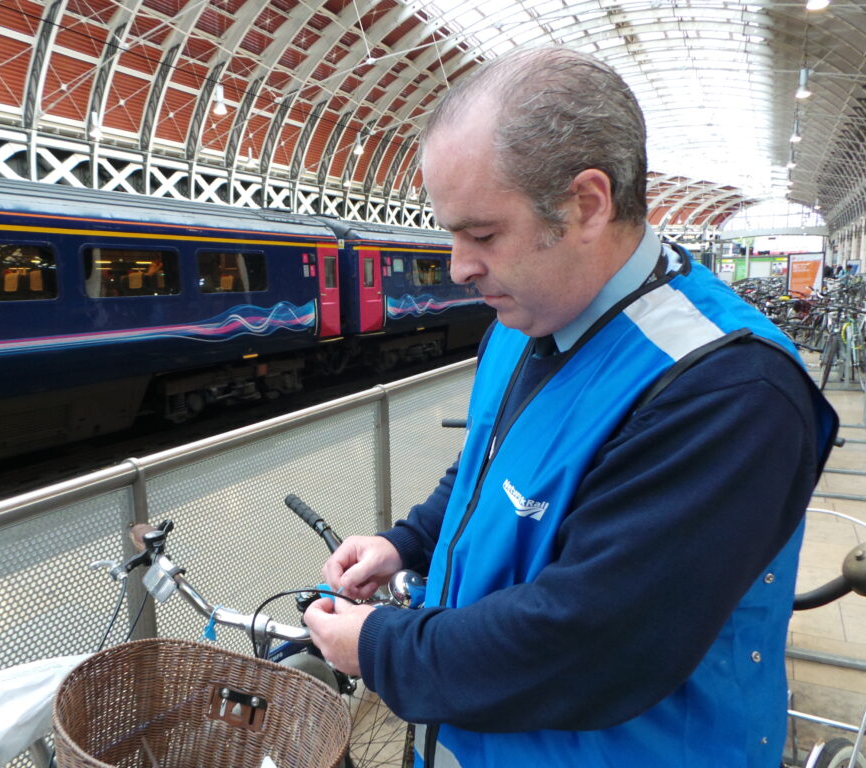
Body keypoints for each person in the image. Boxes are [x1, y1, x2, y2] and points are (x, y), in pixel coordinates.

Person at [302, 47, 838, 768]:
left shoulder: (731, 390)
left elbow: (591, 643)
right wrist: (407, 542)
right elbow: (490, 462)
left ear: (588, 204)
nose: (459, 267)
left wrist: (378, 646)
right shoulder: (523, 322)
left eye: (482, 234)